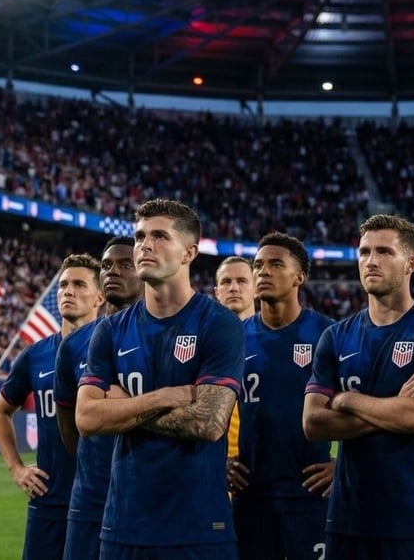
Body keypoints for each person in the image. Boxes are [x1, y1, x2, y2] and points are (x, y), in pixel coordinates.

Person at [76, 198, 245, 560]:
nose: (145, 246)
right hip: (123, 526)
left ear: (189, 253)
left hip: (199, 528)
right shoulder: (109, 330)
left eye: (160, 236)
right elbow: (86, 419)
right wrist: (161, 397)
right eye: (140, 237)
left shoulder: (219, 323)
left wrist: (122, 408)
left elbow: (207, 423)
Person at [303, 213, 414, 560]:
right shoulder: (335, 336)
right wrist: (394, 408)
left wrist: (347, 399)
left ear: (411, 264)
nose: (371, 261)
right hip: (348, 522)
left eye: (385, 252)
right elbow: (313, 424)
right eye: (365, 252)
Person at [229, 233, 335, 560]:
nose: (263, 271)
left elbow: (362, 406)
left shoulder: (328, 334)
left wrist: (343, 465)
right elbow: (207, 406)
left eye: (276, 264)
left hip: (311, 494)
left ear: (299, 277)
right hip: (250, 495)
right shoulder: (233, 338)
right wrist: (218, 461)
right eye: (258, 265)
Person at [0, 253, 104, 560]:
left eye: (79, 285)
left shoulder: (113, 349)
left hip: (101, 501)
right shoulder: (36, 355)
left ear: (99, 297)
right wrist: (16, 468)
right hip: (49, 501)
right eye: (63, 285)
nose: (68, 291)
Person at [54, 237, 143, 560]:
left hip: (146, 496)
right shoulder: (73, 345)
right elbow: (69, 425)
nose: (113, 271)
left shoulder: (168, 335)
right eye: (106, 265)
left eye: (125, 264)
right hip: (90, 500)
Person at [214, 256, 255, 462]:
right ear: (216, 292)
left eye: (242, 281)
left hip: (269, 464)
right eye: (226, 282)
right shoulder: (204, 341)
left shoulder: (278, 340)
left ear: (256, 288)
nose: (233, 288)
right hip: (215, 466)